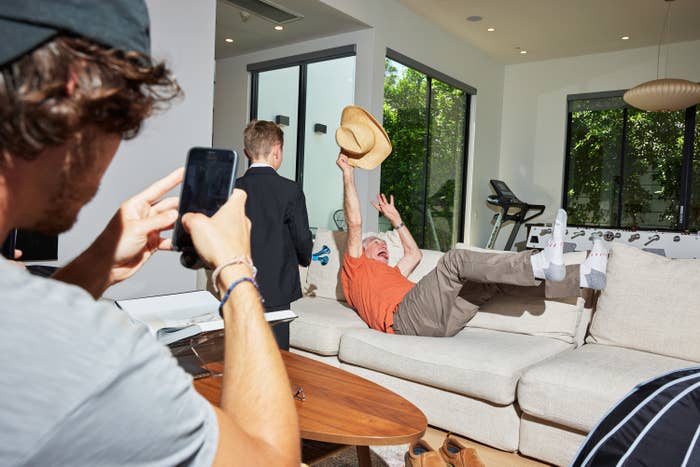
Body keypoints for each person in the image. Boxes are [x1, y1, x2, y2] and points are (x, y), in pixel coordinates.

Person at [0, 2, 299, 466]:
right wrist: (236, 273)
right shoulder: (96, 356)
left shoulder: (30, 325)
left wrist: (94, 265)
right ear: (74, 96)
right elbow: (272, 460)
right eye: (124, 122)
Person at [337, 153, 608, 337]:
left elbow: (414, 254)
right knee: (455, 260)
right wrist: (348, 175)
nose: (382, 244)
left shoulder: (393, 273)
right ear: (360, 250)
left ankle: (583, 275)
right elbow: (356, 223)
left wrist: (395, 220)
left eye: (383, 241)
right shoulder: (355, 268)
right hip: (404, 320)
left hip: (442, 324)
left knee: (492, 281)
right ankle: (537, 262)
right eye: (375, 242)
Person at [235, 120, 313, 350]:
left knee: (241, 352)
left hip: (237, 283)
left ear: (246, 152)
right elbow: (301, 238)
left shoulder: (232, 188)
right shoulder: (290, 190)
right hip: (276, 287)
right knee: (277, 357)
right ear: (277, 150)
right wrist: (305, 257)